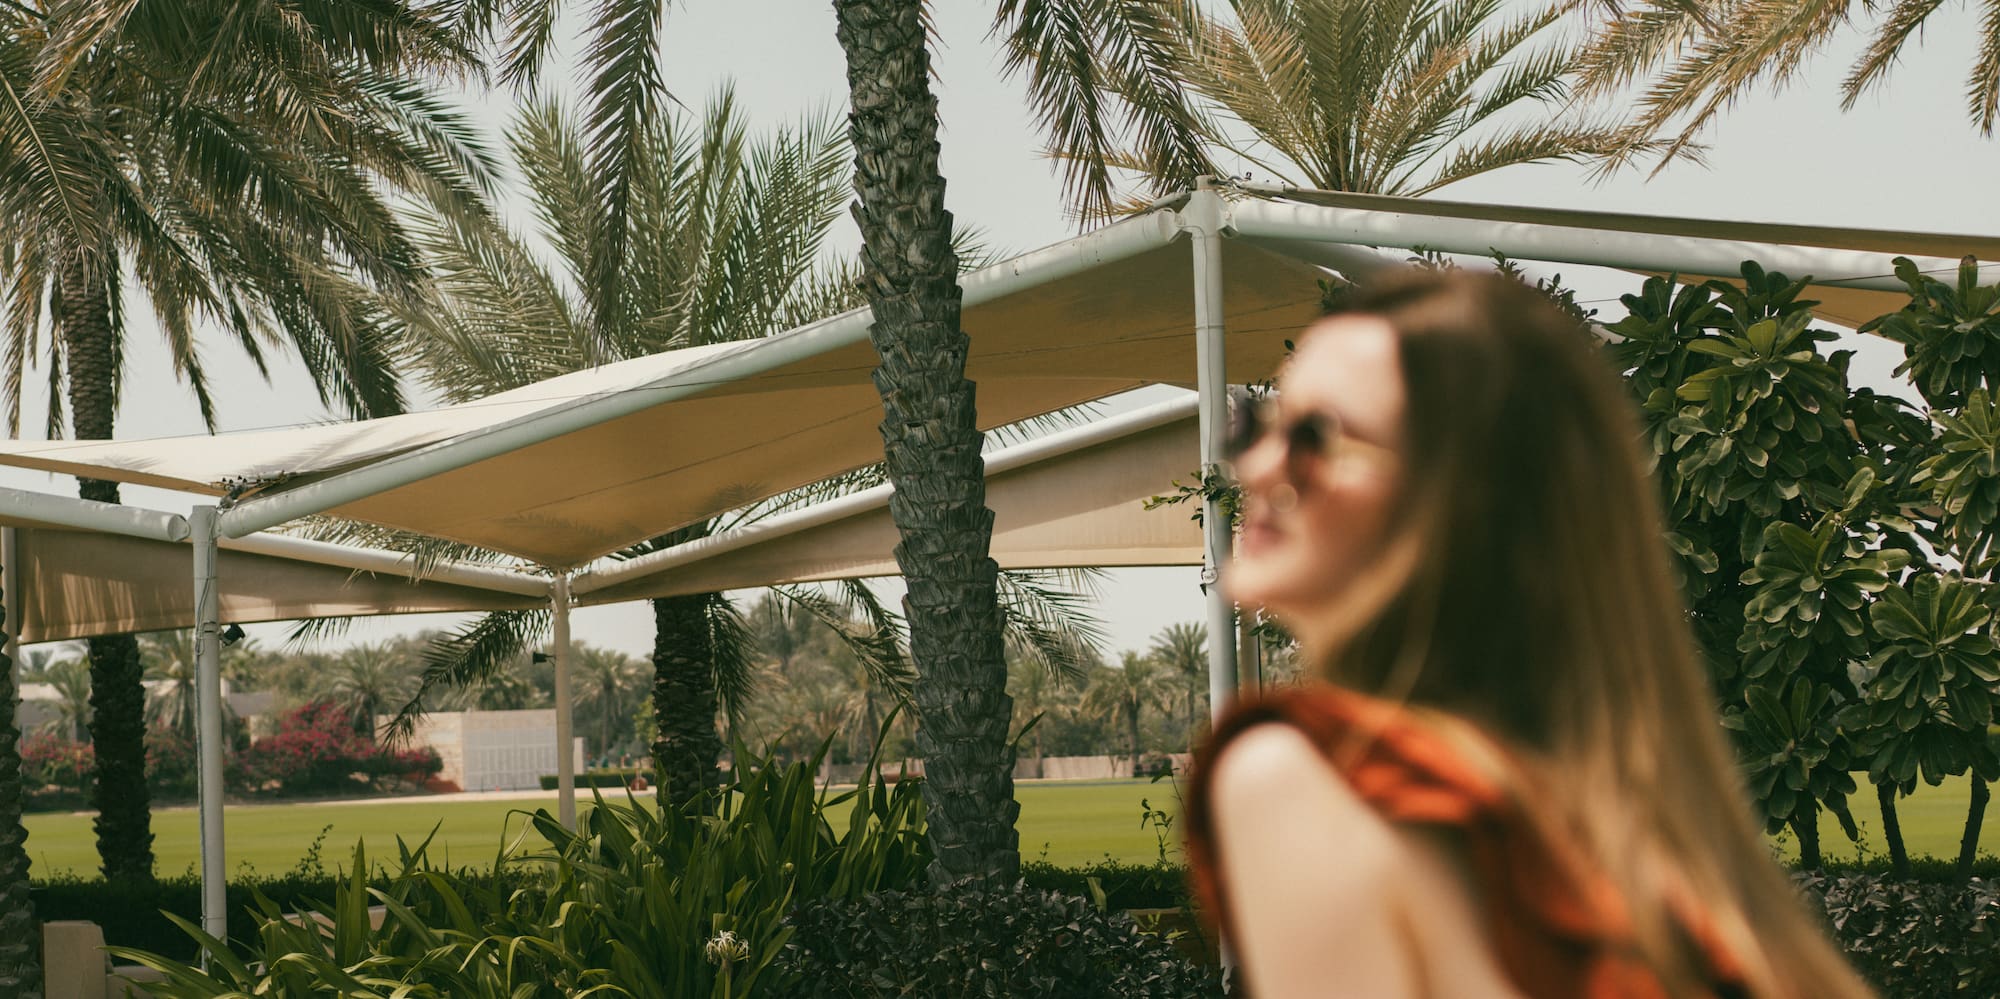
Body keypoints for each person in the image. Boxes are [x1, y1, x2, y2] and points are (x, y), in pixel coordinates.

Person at [1182, 269, 1873, 998]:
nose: (1257, 465)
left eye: (1316, 438)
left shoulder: (1301, 778)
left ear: (1468, 501)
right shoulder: (1665, 884)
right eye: (1254, 422)